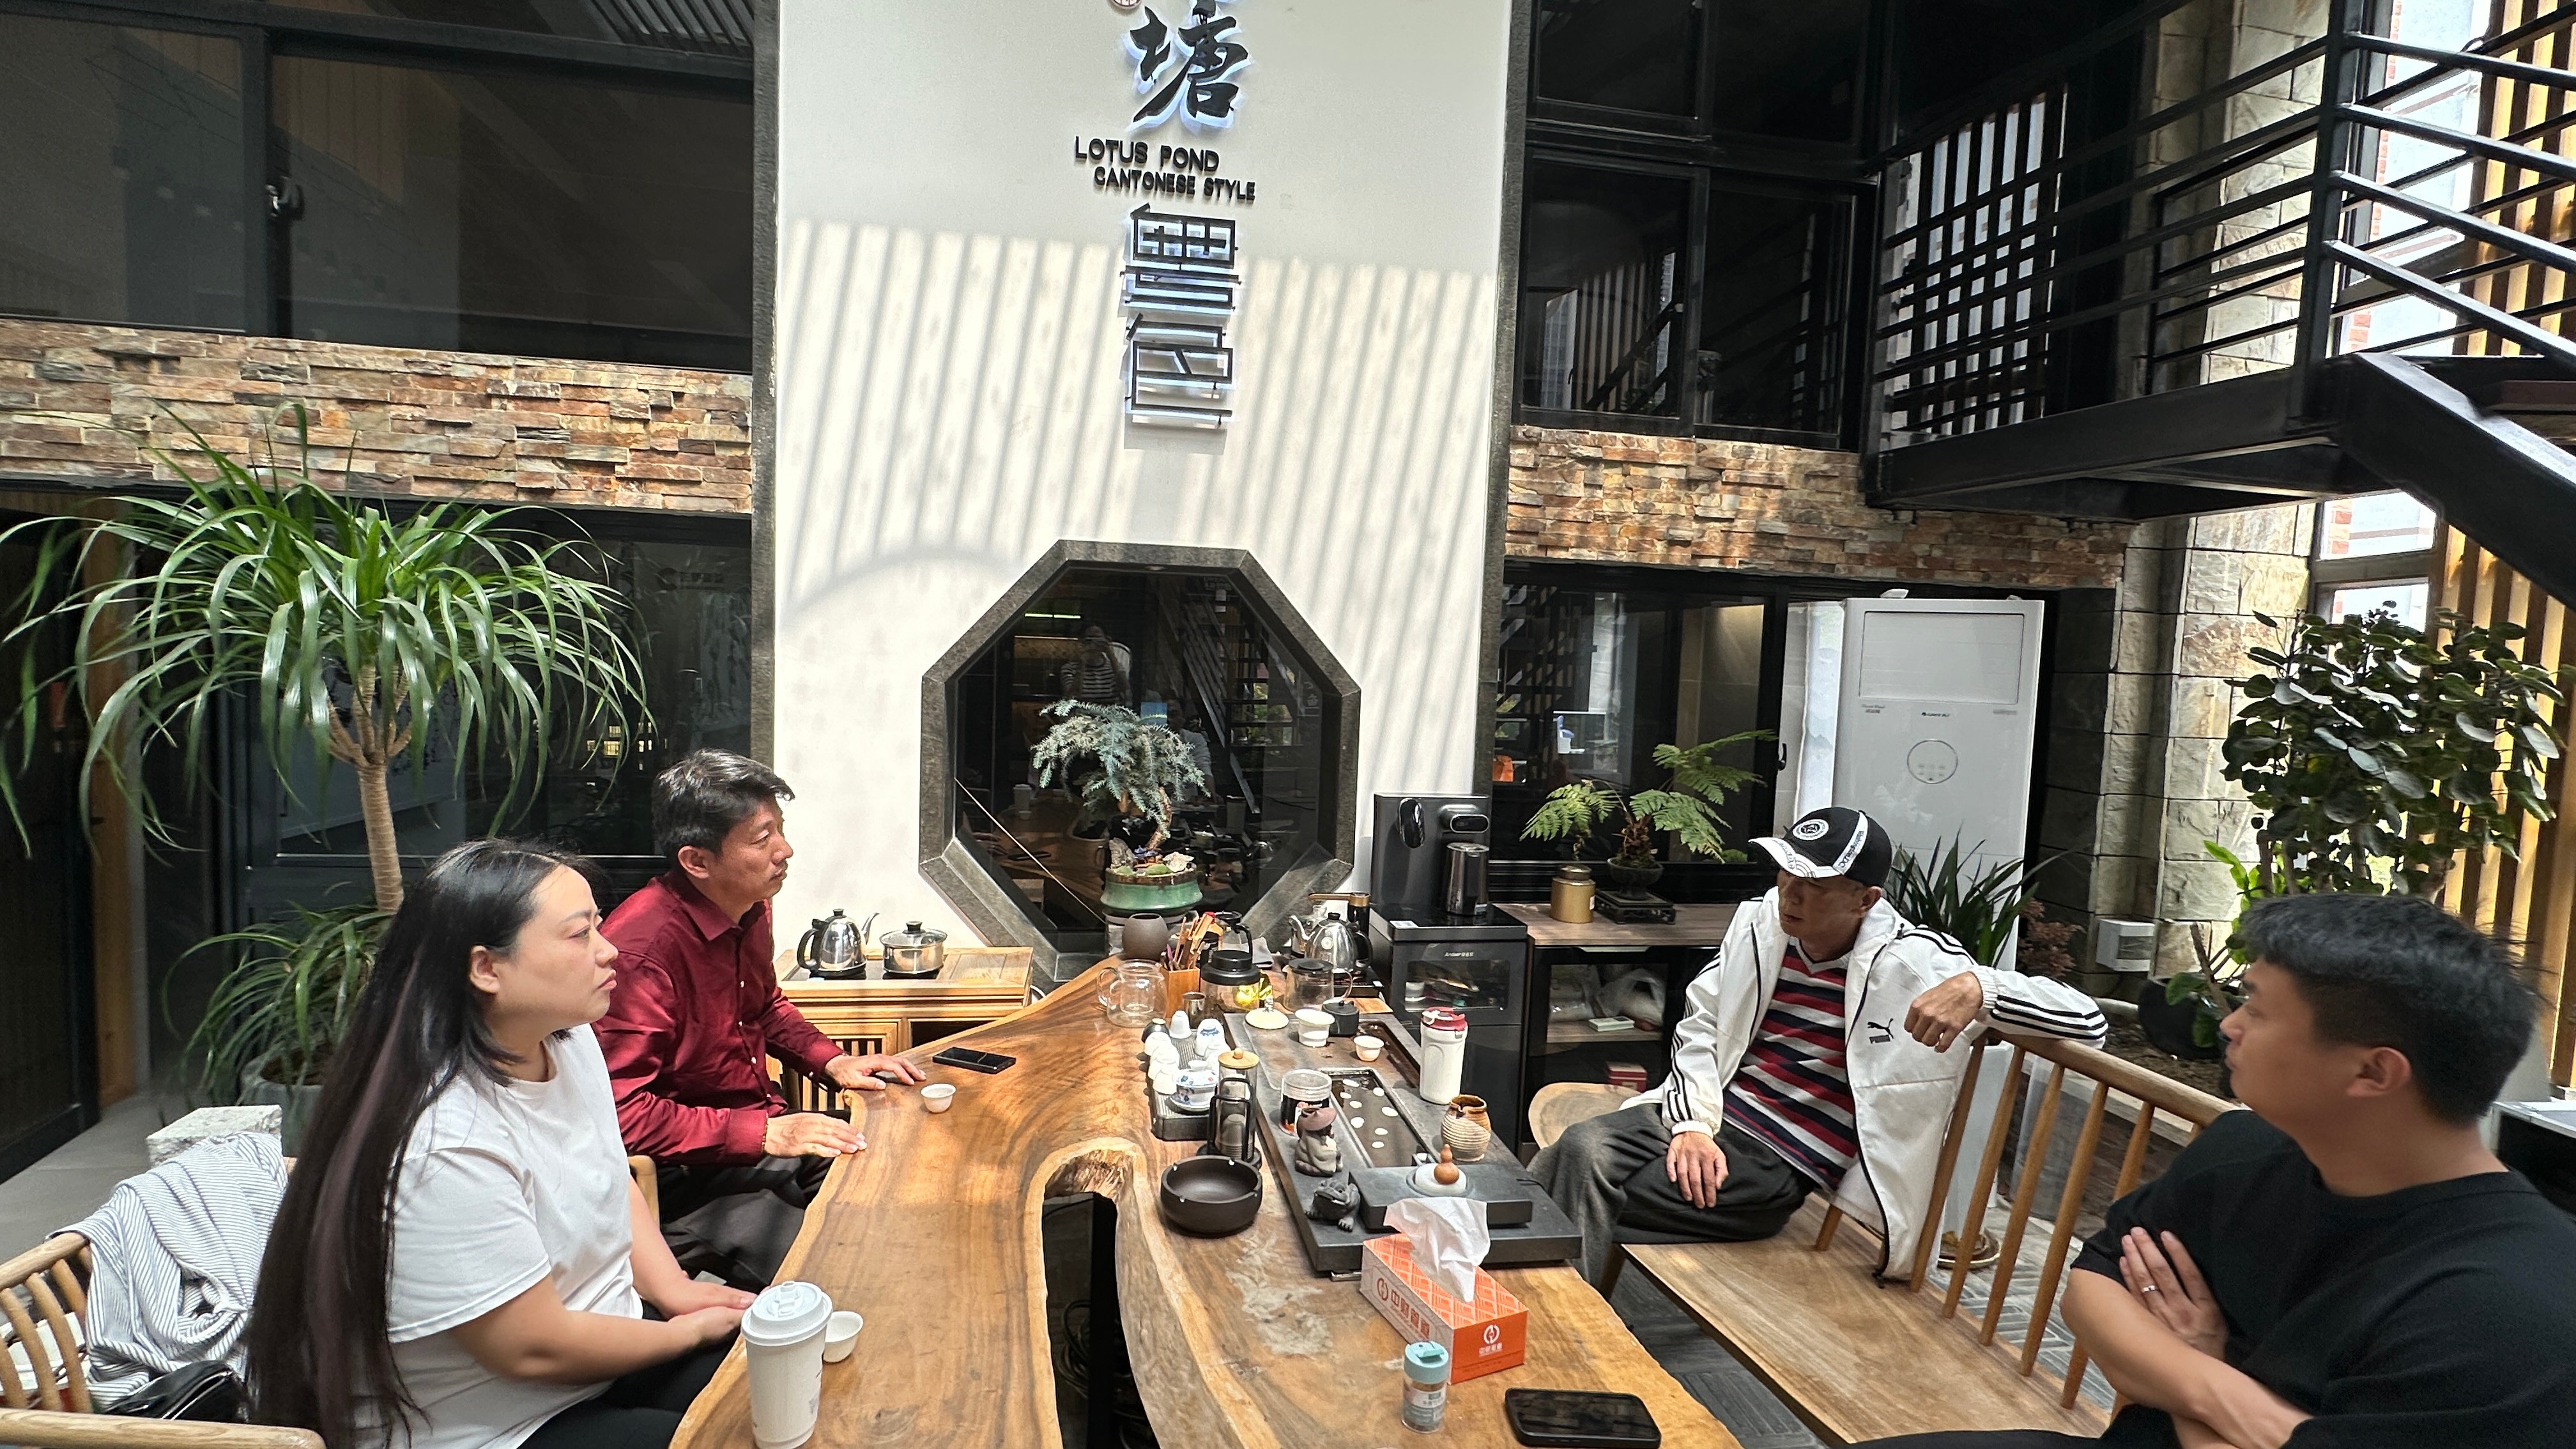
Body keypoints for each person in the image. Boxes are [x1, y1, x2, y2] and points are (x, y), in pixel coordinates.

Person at [1857, 893, 2576, 1449]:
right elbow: (2093, 1291)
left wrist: (2175, 1372)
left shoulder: (2507, 1311)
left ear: (2372, 1072)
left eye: (2257, 1010)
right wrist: (2219, 1386)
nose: (2229, 1025)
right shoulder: (2249, 1149)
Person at [246, 841, 753, 1449]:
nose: (608, 949)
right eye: (579, 934)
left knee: (774, 1388)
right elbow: (531, 1349)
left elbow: (607, 1172)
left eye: (597, 924)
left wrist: (674, 1289)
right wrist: (687, 1333)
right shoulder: (443, 1138)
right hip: (486, 1423)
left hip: (597, 1356)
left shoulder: (568, 1040)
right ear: (486, 968)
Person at [1532, 806, 2108, 1286]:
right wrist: (1692, 1126)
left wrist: (1980, 987)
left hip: (1779, 1160)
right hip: (1710, 1116)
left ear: (1866, 899)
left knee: (1571, 1187)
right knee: (1579, 1152)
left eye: (1815, 885)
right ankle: (1568, 1328)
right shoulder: (1760, 927)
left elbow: (2090, 1021)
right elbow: (1701, 1027)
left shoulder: (1912, 963)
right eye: (1786, 875)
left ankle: (1561, 1330)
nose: (1791, 895)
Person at [595, 750, 923, 1291]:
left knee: (893, 1186)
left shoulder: (749, 906)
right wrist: (765, 1133)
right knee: (834, 1274)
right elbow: (620, 1114)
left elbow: (765, 1006)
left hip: (756, 1132)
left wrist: (834, 1062)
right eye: (761, 837)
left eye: (781, 829)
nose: (784, 850)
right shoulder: (640, 953)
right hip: (682, 1176)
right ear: (697, 861)